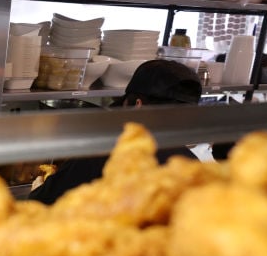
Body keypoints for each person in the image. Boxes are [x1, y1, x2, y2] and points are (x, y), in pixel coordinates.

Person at [29, 59, 203, 204]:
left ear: (137, 105)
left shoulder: (104, 152)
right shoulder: (191, 165)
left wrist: (38, 188)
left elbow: (45, 203)